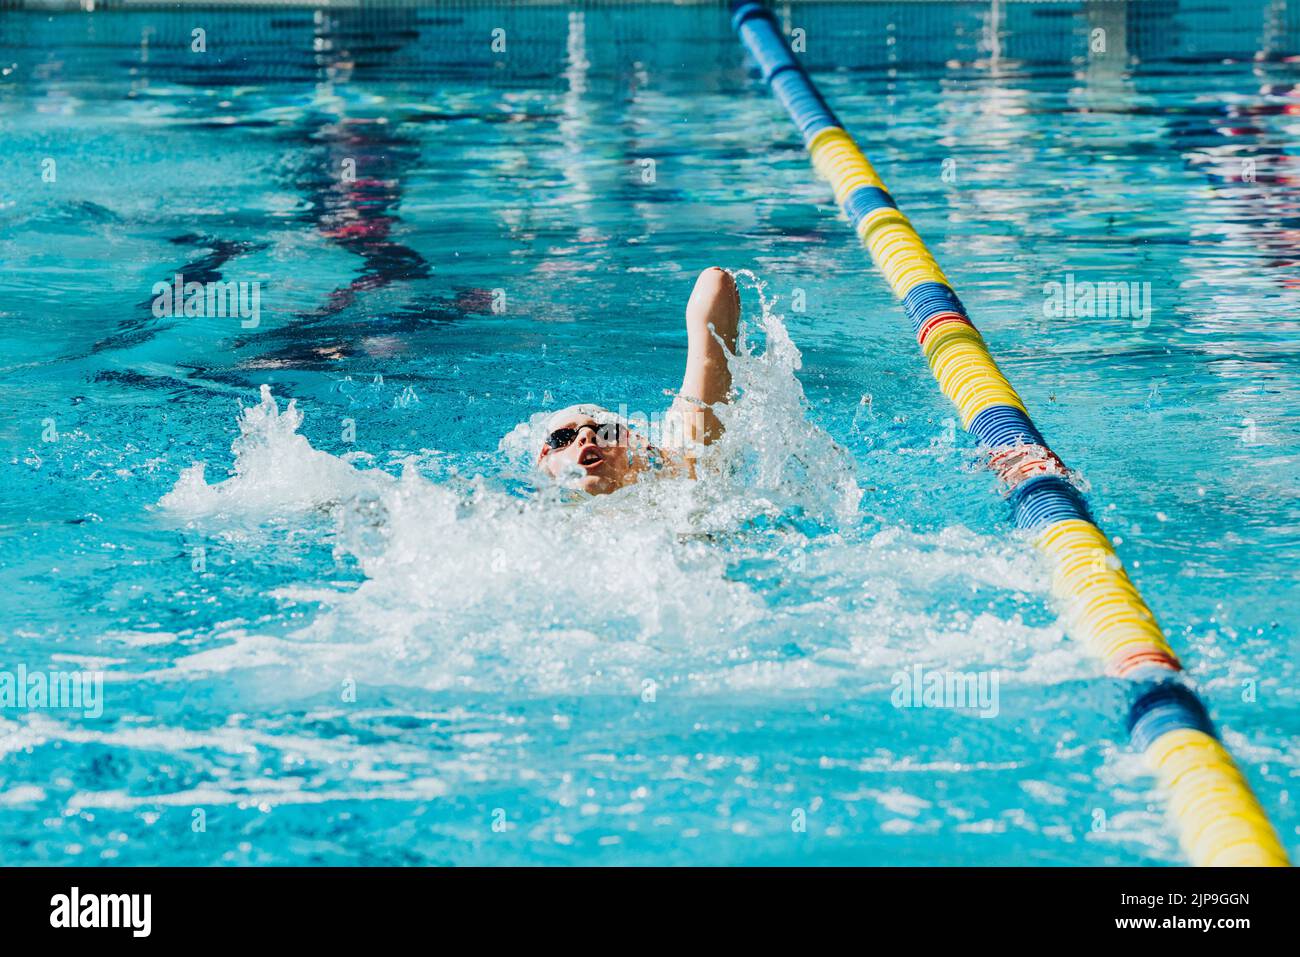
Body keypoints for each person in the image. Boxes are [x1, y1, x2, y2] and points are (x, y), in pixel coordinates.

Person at [536, 267, 740, 495]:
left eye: (609, 433)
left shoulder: (682, 489)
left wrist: (669, 458)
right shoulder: (517, 518)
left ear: (637, 449)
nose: (587, 436)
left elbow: (715, 284)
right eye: (563, 437)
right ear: (543, 459)